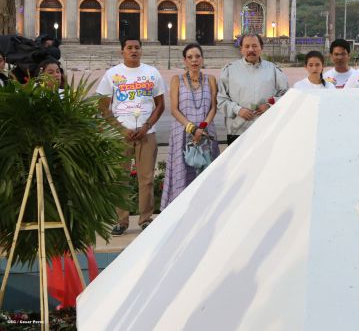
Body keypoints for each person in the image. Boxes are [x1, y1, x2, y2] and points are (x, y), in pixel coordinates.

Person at [97, 37, 166, 235]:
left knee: (146, 179)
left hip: (147, 133)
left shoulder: (152, 73)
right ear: (122, 51)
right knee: (121, 179)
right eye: (129, 48)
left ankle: (145, 219)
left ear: (141, 50)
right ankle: (121, 221)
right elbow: (102, 106)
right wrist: (120, 129)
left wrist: (147, 125)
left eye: (137, 47)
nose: (133, 50)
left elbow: (160, 105)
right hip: (121, 135)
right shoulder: (113, 74)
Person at [161, 43, 220, 209]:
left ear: (202, 59)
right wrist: (192, 128)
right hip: (182, 133)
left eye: (197, 56)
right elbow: (174, 109)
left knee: (206, 173)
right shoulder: (176, 80)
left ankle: (206, 208)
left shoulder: (210, 79)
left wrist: (201, 127)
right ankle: (180, 210)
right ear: (184, 61)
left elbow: (213, 107)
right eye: (190, 57)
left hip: (206, 133)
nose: (194, 60)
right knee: (182, 172)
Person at [217, 33, 288, 146]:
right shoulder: (229, 70)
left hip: (266, 129)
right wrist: (238, 110)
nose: (251, 49)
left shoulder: (273, 70)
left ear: (261, 48)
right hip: (237, 130)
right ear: (241, 49)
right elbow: (221, 99)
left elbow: (286, 95)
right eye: (247, 46)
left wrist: (269, 105)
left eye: (255, 46)